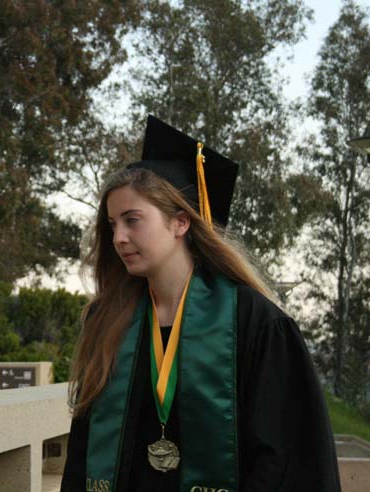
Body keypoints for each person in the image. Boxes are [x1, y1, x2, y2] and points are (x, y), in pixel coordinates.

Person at [60, 116, 342, 492]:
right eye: (112, 224)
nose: (118, 238)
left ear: (180, 222)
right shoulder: (109, 319)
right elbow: (84, 450)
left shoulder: (250, 319)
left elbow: (284, 454)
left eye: (132, 220)